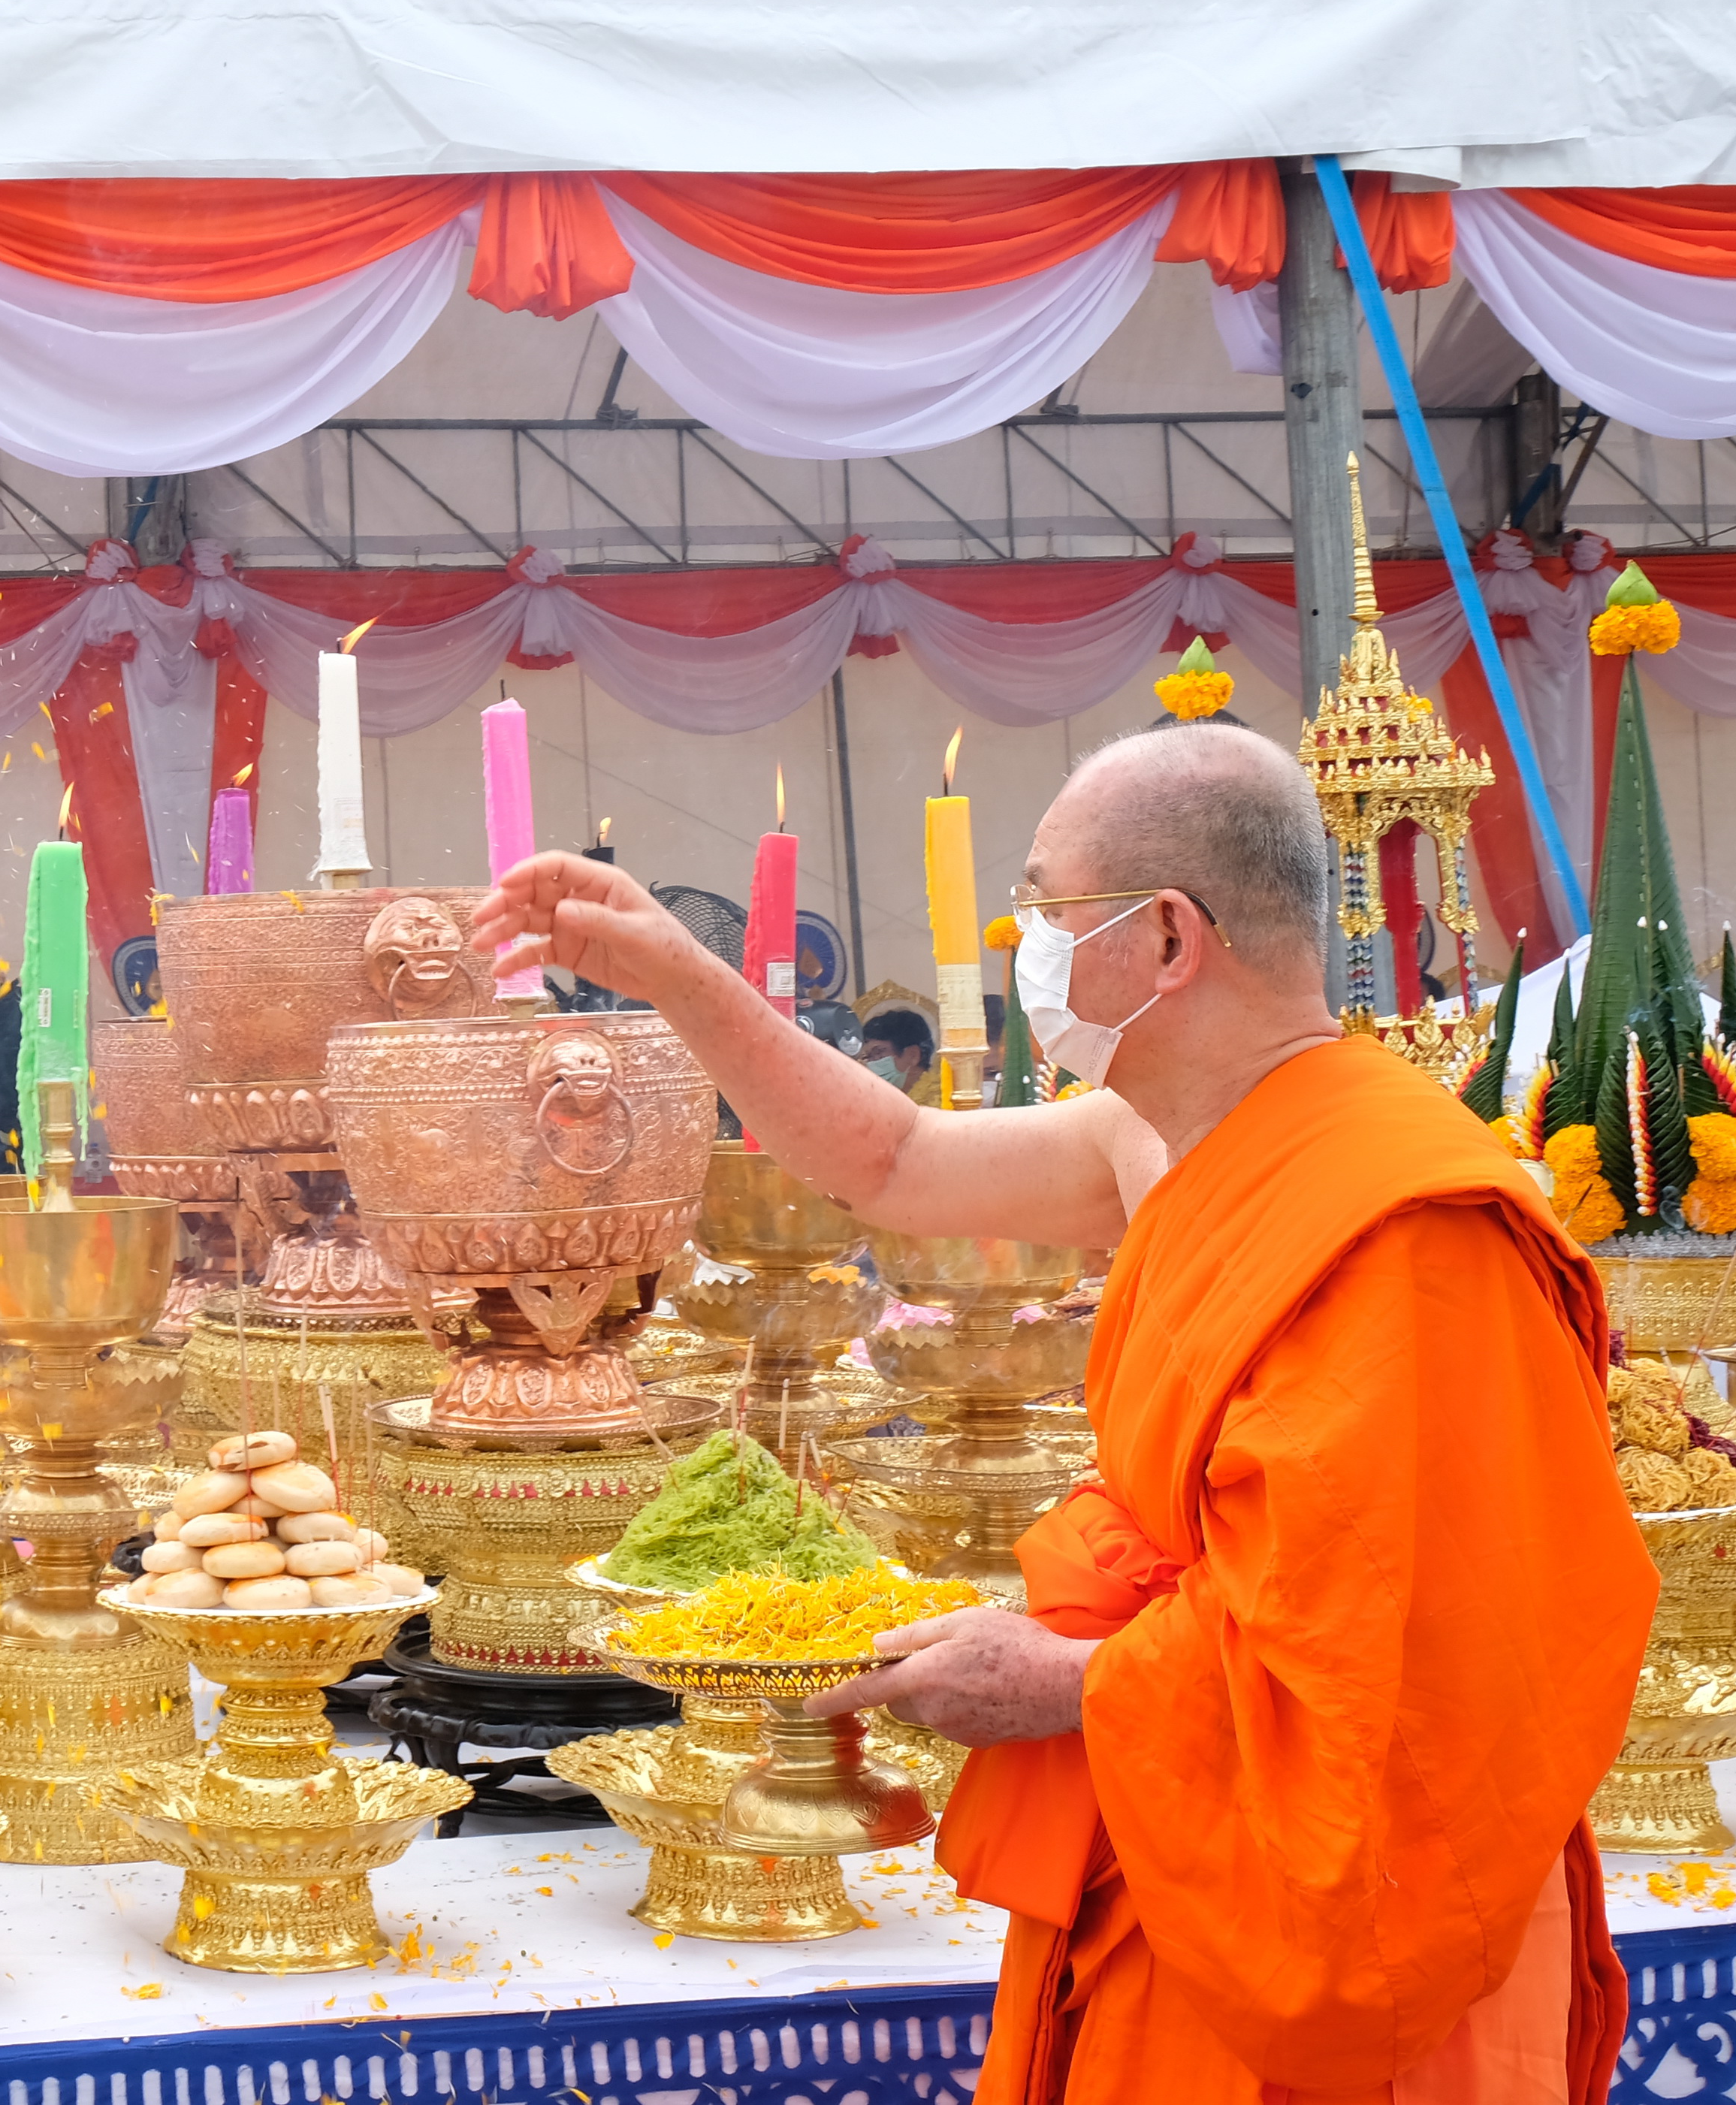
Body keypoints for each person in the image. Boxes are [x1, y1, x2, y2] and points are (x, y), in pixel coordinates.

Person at [473, 720, 1645, 2105]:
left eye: (1044, 904)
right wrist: (675, 971)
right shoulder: (1149, 1132)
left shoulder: (1400, 1221)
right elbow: (890, 1159)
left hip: (1348, 1907)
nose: (1022, 938)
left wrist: (1078, 1684)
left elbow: (1420, 1660)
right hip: (1185, 1826)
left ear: (1165, 938)